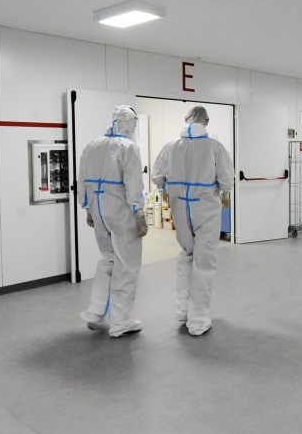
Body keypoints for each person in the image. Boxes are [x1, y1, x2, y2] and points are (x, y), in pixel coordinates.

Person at [152, 105, 233, 336]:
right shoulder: (214, 146)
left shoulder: (171, 145)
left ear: (185, 119)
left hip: (180, 206)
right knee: (203, 262)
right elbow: (226, 177)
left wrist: (163, 189)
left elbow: (157, 174)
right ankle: (198, 320)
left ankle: (183, 310)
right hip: (205, 207)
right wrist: (225, 193)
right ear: (206, 121)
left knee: (187, 254)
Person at [78, 105, 149, 338]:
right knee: (127, 265)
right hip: (120, 211)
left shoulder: (92, 145)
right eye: (133, 124)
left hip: (99, 211)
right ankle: (120, 322)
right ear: (126, 122)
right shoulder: (128, 147)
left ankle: (95, 312)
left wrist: (88, 208)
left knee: (108, 259)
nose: (134, 128)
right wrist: (139, 213)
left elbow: (82, 179)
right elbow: (134, 183)